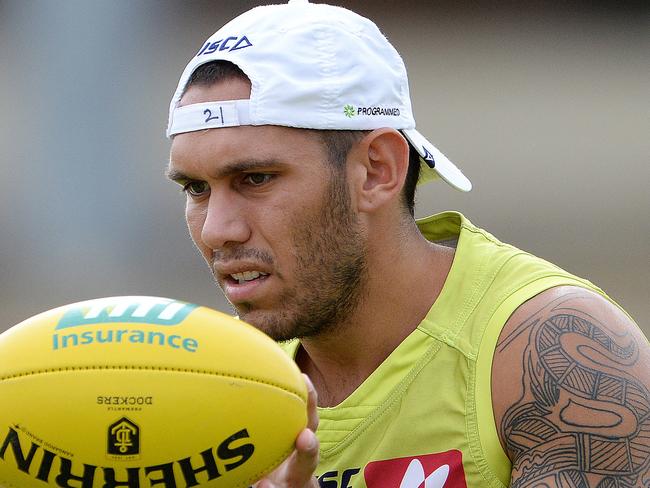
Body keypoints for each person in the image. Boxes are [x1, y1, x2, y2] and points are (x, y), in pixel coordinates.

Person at [165, 1, 650, 487]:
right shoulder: (204, 385)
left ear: (377, 170)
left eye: (256, 178)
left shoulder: (551, 353)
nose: (216, 230)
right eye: (196, 188)